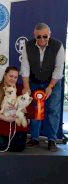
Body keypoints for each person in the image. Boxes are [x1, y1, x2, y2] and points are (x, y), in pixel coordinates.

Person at [21, 23, 65, 152]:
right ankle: (34, 138)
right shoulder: (28, 46)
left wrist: (50, 86)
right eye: (38, 37)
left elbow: (59, 69)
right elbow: (25, 67)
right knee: (35, 109)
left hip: (53, 82)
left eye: (45, 36)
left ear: (49, 35)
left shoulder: (58, 46)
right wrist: (26, 86)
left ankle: (52, 140)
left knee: (52, 109)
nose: (41, 40)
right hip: (34, 81)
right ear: (34, 35)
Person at [0, 66, 30, 152]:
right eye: (11, 76)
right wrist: (6, 119)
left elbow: (30, 111)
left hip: (17, 124)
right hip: (0, 123)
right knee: (0, 146)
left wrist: (19, 107)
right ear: (5, 75)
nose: (13, 79)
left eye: (15, 77)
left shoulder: (21, 89)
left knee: (18, 148)